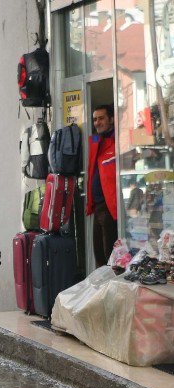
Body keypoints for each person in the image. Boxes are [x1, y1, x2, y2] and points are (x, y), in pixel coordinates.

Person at [86, 104, 117, 267]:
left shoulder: (117, 141)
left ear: (111, 119)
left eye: (101, 118)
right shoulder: (96, 142)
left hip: (109, 206)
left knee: (110, 255)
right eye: (95, 119)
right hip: (97, 206)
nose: (97, 122)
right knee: (98, 254)